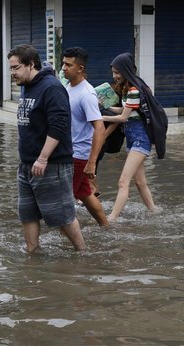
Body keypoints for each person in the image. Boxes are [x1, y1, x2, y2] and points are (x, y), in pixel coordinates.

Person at [7, 44, 86, 252]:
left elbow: (59, 125)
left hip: (51, 164)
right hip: (26, 165)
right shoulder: (26, 86)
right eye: (11, 68)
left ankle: (83, 253)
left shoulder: (51, 88)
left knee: (62, 216)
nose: (12, 73)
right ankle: (32, 253)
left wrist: (43, 158)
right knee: (27, 213)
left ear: (31, 64)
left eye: (15, 68)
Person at [101, 53, 168, 221]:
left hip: (140, 139)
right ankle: (155, 211)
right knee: (140, 182)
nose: (114, 76)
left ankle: (112, 219)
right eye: (113, 72)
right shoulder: (130, 88)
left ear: (125, 71)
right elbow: (125, 111)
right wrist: (102, 106)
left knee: (123, 182)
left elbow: (123, 117)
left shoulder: (133, 90)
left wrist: (101, 117)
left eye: (117, 72)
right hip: (133, 139)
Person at [61, 47, 108, 227]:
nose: (64, 68)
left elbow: (99, 128)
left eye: (68, 65)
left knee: (63, 199)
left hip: (78, 155)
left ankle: (71, 238)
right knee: (84, 193)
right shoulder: (68, 87)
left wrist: (92, 162)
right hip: (69, 151)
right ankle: (106, 226)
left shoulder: (86, 94)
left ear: (80, 68)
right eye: (63, 63)